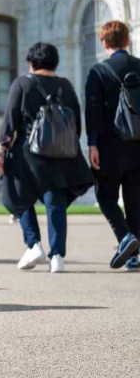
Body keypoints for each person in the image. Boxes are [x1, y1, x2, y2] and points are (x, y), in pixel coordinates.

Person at [0, 43, 94, 273]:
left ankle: (33, 244)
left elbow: (10, 122)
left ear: (31, 62)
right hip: (60, 155)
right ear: (55, 63)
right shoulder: (66, 86)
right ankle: (57, 256)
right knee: (55, 204)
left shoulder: (22, 83)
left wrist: (1, 151)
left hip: (27, 155)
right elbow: (76, 123)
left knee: (17, 196)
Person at [85, 20, 140, 271]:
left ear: (104, 43)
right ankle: (133, 256)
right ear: (127, 41)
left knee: (105, 195)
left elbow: (93, 110)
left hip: (110, 145)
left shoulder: (98, 72)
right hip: (138, 146)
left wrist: (92, 144)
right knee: (135, 199)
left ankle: (125, 238)